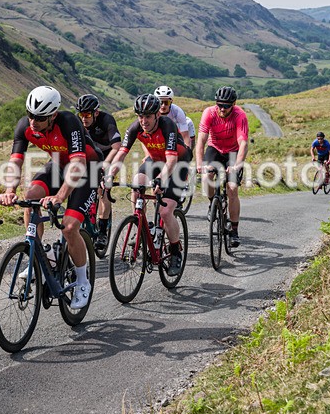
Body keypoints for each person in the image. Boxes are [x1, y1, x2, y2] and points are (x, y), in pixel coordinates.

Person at [0, 85, 103, 309]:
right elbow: (16, 160)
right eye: (30, 115)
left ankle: (83, 281)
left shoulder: (68, 123)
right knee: (31, 197)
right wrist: (9, 190)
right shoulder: (26, 126)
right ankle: (39, 254)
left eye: (40, 117)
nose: (33, 121)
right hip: (58, 165)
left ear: (53, 116)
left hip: (87, 171)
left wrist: (60, 196)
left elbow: (78, 165)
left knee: (69, 226)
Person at [106, 94, 192, 276]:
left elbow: (171, 160)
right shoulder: (136, 127)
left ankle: (176, 251)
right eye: (140, 116)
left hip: (177, 163)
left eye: (147, 117)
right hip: (155, 160)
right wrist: (109, 175)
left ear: (156, 116)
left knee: (166, 211)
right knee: (137, 185)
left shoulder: (167, 126)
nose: (143, 121)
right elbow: (121, 154)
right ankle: (143, 224)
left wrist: (161, 179)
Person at [194, 86, 249, 248]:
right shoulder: (209, 113)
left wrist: (237, 165)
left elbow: (243, 143)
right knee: (207, 176)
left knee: (232, 188)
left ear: (234, 104)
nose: (222, 109)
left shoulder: (240, 115)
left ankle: (234, 230)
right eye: (219, 105)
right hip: (215, 149)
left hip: (233, 152)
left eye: (226, 106)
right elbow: (201, 141)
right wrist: (199, 163)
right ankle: (213, 203)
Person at [75, 93, 121, 251]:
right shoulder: (78, 123)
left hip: (108, 156)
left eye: (87, 114)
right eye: (81, 114)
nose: (84, 118)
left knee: (103, 190)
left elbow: (117, 147)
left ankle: (102, 232)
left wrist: (106, 166)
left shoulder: (107, 120)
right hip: (90, 157)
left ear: (96, 112)